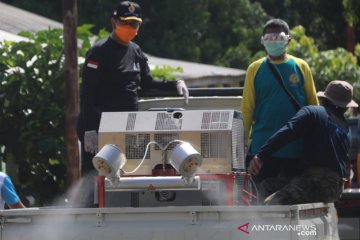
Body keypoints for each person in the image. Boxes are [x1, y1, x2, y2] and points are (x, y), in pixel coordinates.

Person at [76, 1, 189, 207]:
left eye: (135, 24)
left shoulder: (135, 51)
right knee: (95, 179)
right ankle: (88, 220)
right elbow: (87, 94)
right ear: (114, 22)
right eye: (126, 23)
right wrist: (91, 129)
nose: (131, 28)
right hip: (99, 128)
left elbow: (147, 83)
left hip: (127, 129)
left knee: (122, 176)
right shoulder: (99, 51)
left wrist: (175, 84)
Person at [248, 80, 357, 205]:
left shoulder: (313, 112)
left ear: (324, 99)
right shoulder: (346, 128)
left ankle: (265, 224)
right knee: (267, 186)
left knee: (273, 206)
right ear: (346, 107)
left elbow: (287, 132)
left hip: (315, 181)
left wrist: (261, 155)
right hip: (335, 188)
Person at [241, 18, 319, 185]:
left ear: (288, 40)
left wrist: (317, 141)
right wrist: (240, 146)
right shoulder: (254, 69)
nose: (273, 42)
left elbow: (313, 105)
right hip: (262, 149)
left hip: (296, 147)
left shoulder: (301, 66)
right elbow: (247, 109)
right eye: (269, 39)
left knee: (294, 199)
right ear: (262, 41)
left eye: (278, 38)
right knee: (260, 199)